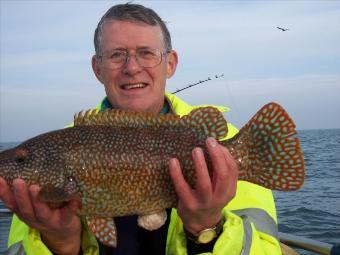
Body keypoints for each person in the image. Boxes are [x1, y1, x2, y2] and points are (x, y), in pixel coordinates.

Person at [0, 3, 281, 255]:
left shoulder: (221, 145)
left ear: (170, 63)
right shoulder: (39, 176)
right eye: (116, 55)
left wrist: (207, 227)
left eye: (146, 53)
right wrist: (60, 242)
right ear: (97, 68)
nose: (132, 67)